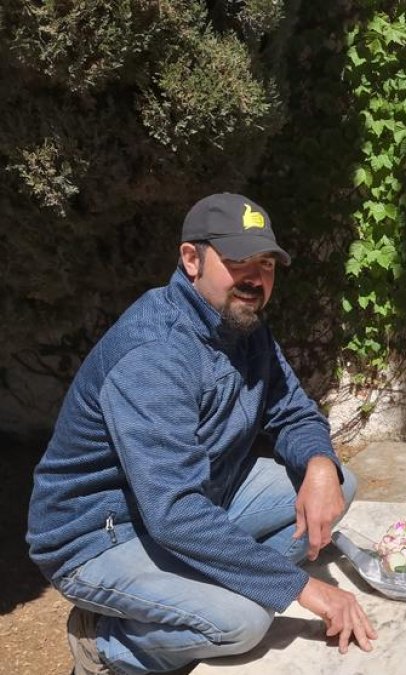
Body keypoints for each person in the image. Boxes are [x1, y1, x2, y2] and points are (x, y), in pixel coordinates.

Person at [26, 193, 377, 674]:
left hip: (200, 496)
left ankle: (210, 584)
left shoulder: (244, 325)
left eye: (266, 264)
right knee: (243, 623)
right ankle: (103, 640)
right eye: (237, 261)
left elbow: (293, 411)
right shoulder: (154, 353)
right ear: (191, 259)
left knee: (336, 484)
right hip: (101, 536)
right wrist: (299, 587)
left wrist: (318, 463)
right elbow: (173, 511)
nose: (254, 278)